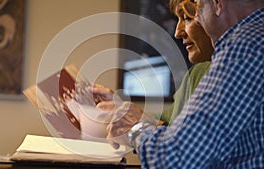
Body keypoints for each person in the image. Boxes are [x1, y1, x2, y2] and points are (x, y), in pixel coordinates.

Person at [98, 0, 264, 168]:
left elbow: (175, 159)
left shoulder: (245, 48)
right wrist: (122, 112)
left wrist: (135, 127)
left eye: (197, 8)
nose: (198, 18)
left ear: (217, 3)